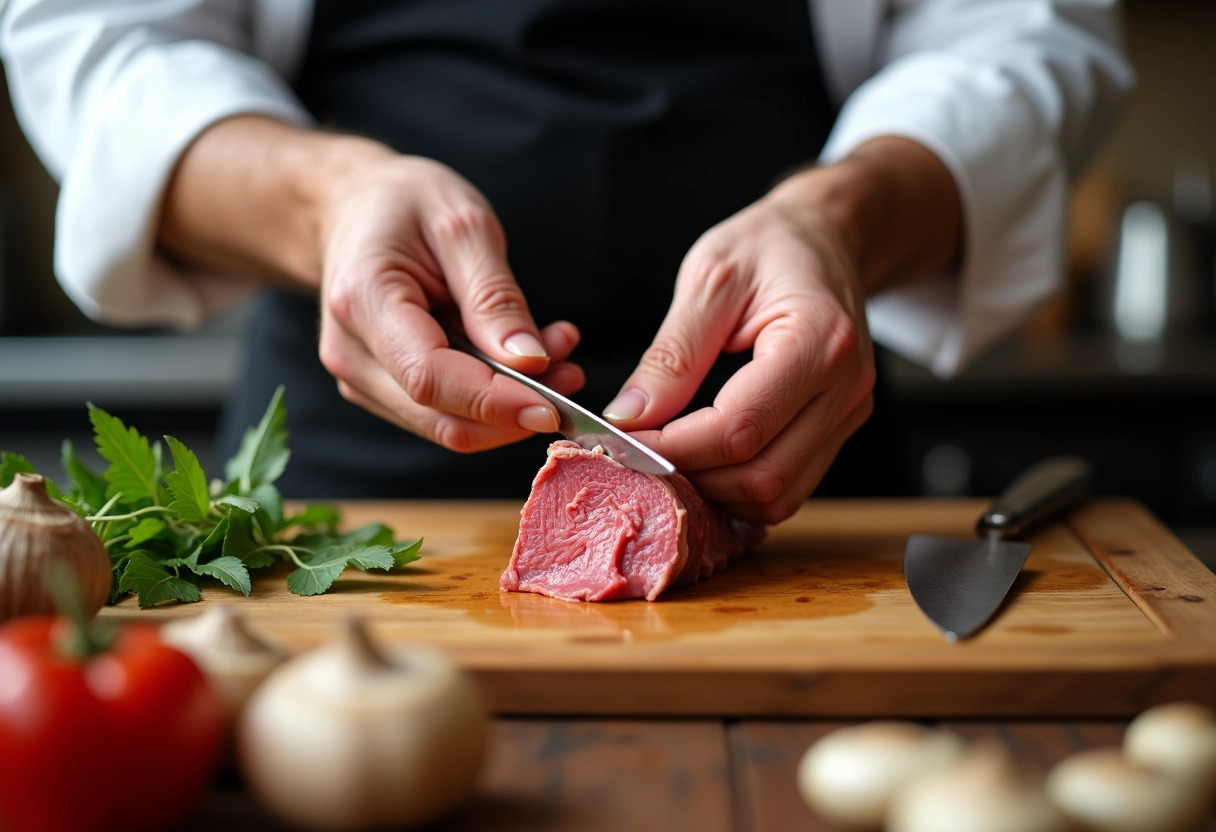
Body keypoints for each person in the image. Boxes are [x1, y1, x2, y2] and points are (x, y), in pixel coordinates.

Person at [0, 0, 1133, 523]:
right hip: (344, 495)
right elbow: (101, 41)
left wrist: (837, 219)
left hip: (801, 475)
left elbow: (1030, 39)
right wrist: (330, 198)